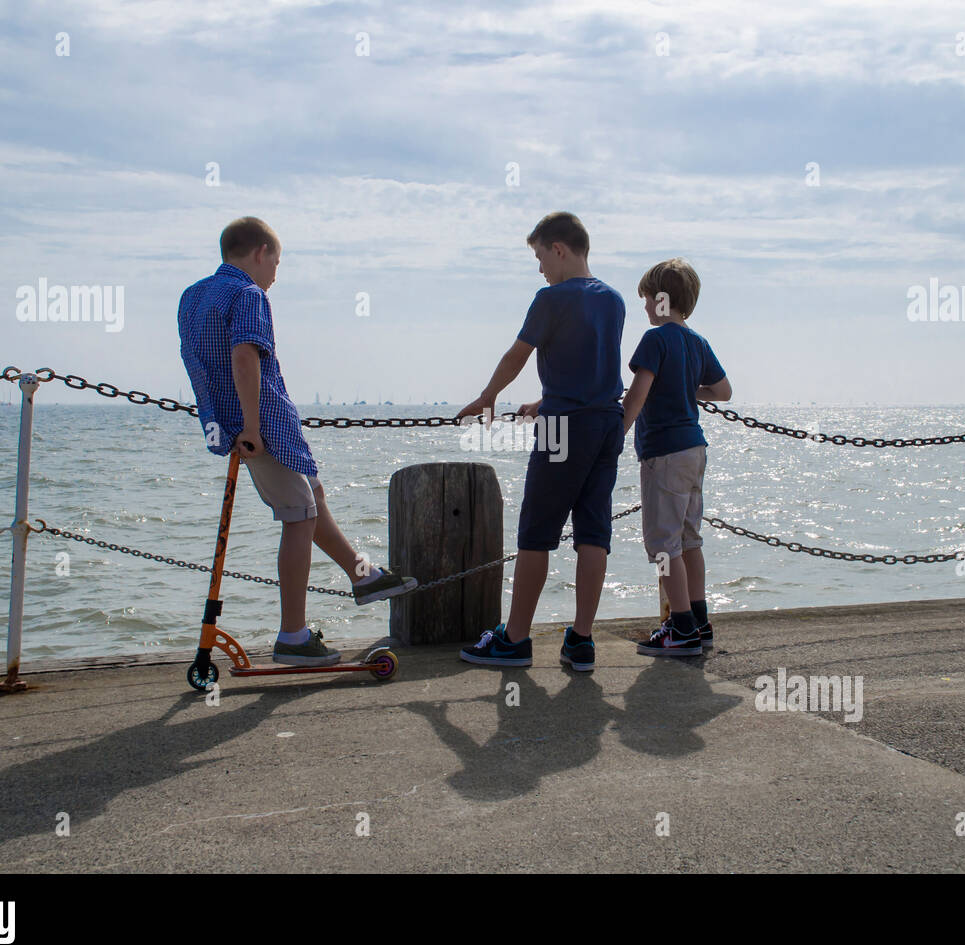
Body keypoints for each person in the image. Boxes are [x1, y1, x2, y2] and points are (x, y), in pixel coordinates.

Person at [178, 216, 415, 666]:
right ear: (261, 253)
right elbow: (244, 357)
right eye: (277, 264)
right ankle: (293, 636)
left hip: (228, 422)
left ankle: (362, 575)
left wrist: (219, 421)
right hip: (260, 427)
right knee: (298, 516)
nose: (275, 276)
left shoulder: (192, 297)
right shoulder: (249, 294)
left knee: (313, 496)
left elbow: (197, 363)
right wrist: (250, 426)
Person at [456, 212, 625, 673]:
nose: (539, 269)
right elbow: (590, 369)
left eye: (539, 257)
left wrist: (488, 397)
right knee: (594, 534)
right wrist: (544, 399)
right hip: (607, 423)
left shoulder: (550, 298)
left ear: (559, 249)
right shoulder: (614, 300)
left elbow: (518, 353)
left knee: (535, 535)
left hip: (562, 428)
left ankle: (514, 640)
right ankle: (581, 641)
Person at [621, 258, 731, 656]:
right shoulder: (697, 342)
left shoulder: (655, 341)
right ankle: (699, 622)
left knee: (664, 546)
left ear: (662, 300)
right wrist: (687, 391)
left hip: (664, 454)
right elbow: (723, 391)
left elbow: (636, 395)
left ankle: (680, 628)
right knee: (689, 540)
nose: (646, 307)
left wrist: (616, 434)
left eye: (647, 299)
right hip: (694, 450)